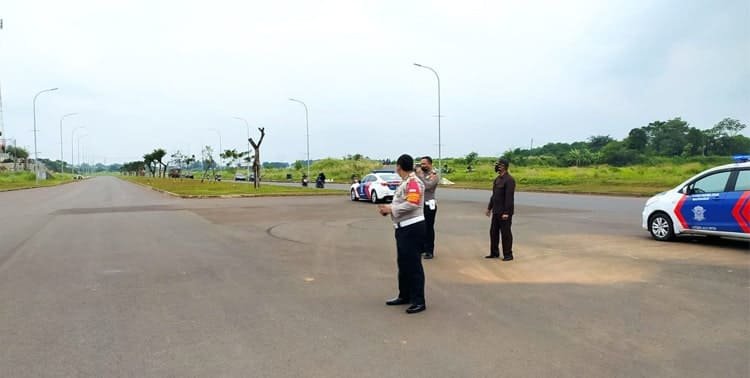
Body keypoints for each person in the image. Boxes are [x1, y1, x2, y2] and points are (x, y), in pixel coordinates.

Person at [377, 154, 427, 314]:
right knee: (403, 264)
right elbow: (403, 201)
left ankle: (418, 300)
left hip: (412, 228)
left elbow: (413, 202)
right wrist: (389, 208)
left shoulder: (413, 182)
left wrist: (391, 209)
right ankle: (405, 295)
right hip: (403, 228)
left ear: (398, 166)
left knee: (413, 265)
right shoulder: (406, 182)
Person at [485, 158, 516, 261]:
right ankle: (494, 253)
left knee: (505, 234)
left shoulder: (509, 180)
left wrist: (507, 212)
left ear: (504, 167)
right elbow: (494, 196)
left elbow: (509, 198)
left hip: (504, 212)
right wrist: (489, 208)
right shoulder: (497, 179)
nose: (497, 167)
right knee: (493, 232)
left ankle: (508, 254)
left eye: (499, 165)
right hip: (496, 211)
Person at [416, 156, 439, 259]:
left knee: (428, 228)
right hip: (420, 204)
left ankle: (429, 251)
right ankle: (422, 248)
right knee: (421, 227)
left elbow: (428, 186)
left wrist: (420, 175)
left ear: (430, 164)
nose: (422, 166)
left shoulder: (433, 175)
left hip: (429, 204)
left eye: (424, 164)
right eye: (421, 164)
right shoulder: (421, 174)